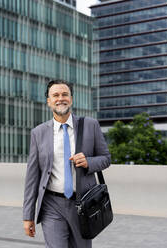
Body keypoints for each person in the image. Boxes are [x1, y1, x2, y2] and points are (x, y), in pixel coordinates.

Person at [23, 79, 111, 248]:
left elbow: (106, 158)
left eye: (64, 94)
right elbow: (32, 177)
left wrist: (88, 162)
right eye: (55, 95)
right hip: (51, 205)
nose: (60, 98)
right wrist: (28, 216)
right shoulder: (38, 133)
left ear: (71, 99)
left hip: (83, 205)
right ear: (48, 101)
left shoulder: (90, 125)